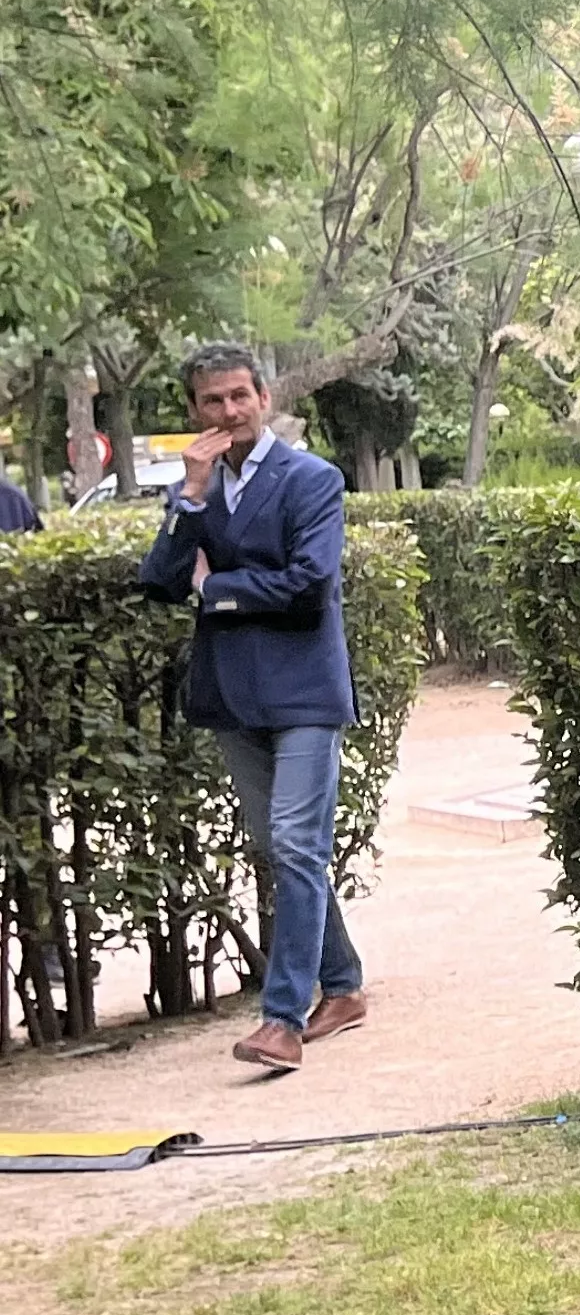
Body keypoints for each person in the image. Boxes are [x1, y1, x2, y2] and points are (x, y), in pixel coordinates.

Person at [135, 348, 364, 1075]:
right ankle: (345, 986)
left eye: (239, 396)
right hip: (231, 694)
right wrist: (191, 499)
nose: (228, 412)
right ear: (194, 412)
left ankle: (281, 1019)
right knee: (285, 847)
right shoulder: (197, 490)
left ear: (263, 397)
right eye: (212, 401)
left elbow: (309, 582)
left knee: (296, 844)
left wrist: (221, 590)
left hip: (305, 691)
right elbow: (160, 583)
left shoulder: (312, 480)